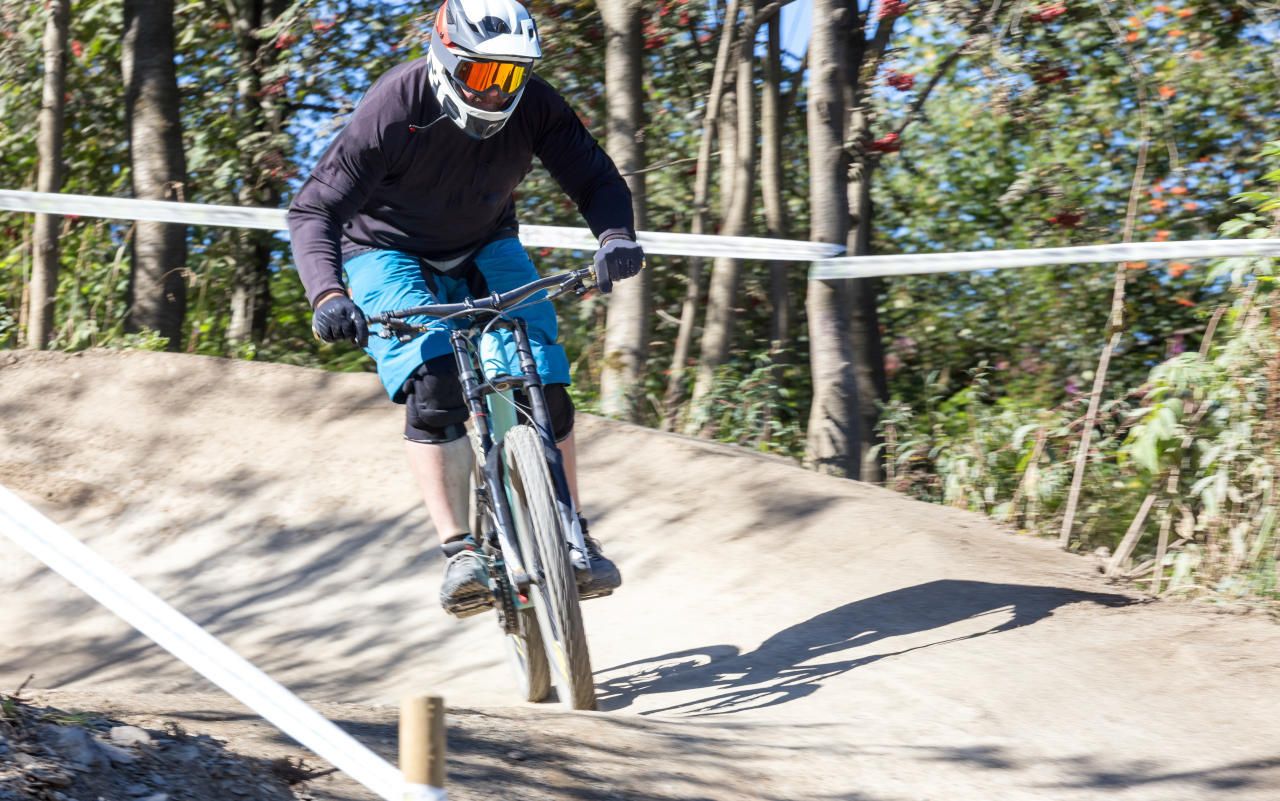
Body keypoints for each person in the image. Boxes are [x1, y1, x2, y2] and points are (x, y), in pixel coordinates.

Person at [287, 0, 644, 617]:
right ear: (448, 60)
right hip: (384, 250)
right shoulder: (398, 105)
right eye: (484, 75)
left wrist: (615, 237)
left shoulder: (534, 107)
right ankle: (459, 552)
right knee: (436, 386)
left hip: (486, 242)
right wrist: (328, 294)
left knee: (544, 381)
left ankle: (571, 532)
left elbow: (596, 180)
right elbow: (313, 210)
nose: (497, 91)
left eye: (512, 75)